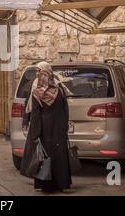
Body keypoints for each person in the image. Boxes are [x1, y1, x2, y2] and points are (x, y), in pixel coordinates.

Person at [20, 62, 72, 193]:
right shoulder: (59, 90)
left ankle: (46, 185)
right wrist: (64, 127)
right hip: (58, 129)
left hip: (45, 131)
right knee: (59, 155)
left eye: (39, 72)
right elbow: (65, 110)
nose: (37, 74)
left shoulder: (37, 93)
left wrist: (35, 133)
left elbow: (36, 115)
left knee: (44, 156)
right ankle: (61, 183)